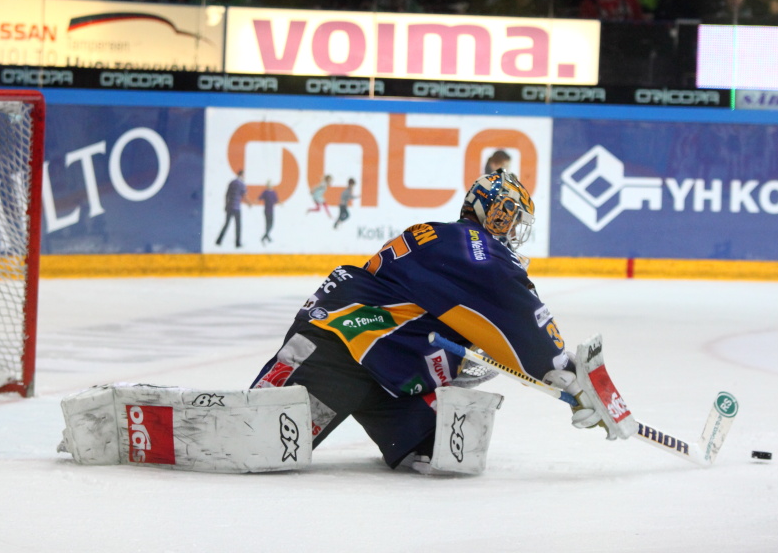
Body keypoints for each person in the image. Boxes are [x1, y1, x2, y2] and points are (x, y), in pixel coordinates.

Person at [250, 170, 606, 472]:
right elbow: (521, 315)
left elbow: (476, 322)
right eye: (514, 221)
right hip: (341, 354)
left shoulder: (453, 242)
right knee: (255, 444)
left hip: (392, 378)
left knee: (454, 451)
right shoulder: (469, 247)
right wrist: (564, 369)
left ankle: (401, 427)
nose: (515, 232)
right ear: (500, 212)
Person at [215, 169, 251, 248]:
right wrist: (249, 203)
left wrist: (226, 205)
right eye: (244, 175)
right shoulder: (242, 184)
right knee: (238, 225)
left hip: (229, 206)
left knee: (226, 224)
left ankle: (218, 241)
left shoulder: (231, 182)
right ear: (241, 175)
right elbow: (244, 195)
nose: (245, 177)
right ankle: (237, 243)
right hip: (236, 208)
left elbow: (227, 194)